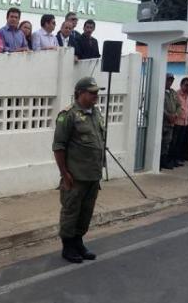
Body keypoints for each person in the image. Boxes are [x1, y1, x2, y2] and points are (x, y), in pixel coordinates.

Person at [53, 77, 105, 263]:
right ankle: (68, 247)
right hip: (75, 176)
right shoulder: (68, 115)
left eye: (97, 93)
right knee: (71, 211)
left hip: (92, 175)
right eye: (92, 93)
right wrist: (64, 173)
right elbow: (59, 147)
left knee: (86, 212)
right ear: (80, 93)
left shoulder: (96, 114)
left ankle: (79, 241)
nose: (96, 96)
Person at [169, 77, 188, 165]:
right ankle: (171, 159)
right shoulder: (176, 94)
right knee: (173, 142)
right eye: (187, 85)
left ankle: (176, 159)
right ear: (181, 85)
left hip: (185, 122)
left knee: (180, 142)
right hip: (176, 121)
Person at [161, 73, 180, 169]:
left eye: (171, 80)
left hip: (171, 122)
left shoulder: (173, 92)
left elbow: (178, 105)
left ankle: (164, 160)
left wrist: (176, 114)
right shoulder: (161, 91)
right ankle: (159, 162)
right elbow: (160, 106)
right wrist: (168, 115)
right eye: (168, 80)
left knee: (167, 142)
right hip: (163, 121)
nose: (170, 82)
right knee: (161, 141)